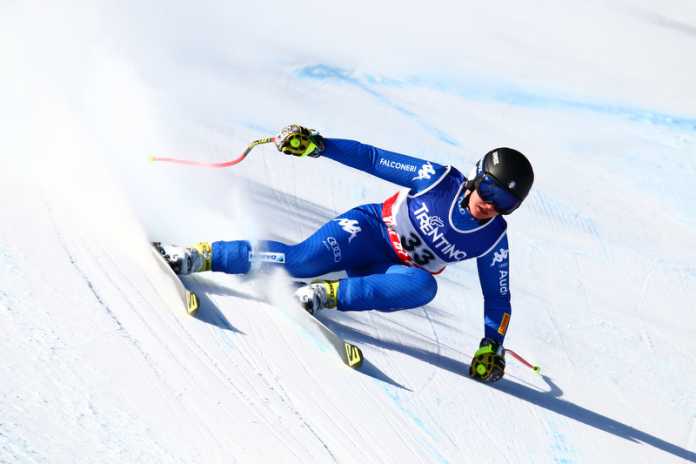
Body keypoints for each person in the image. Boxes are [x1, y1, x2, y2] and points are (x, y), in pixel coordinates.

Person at [156, 124, 534, 383]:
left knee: (423, 287)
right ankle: (199, 255)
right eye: (489, 190)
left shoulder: (493, 238)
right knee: (300, 262)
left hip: (390, 271)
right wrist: (320, 145)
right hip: (367, 232)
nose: (490, 205)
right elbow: (373, 158)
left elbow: (498, 297)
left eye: (505, 203)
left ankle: (324, 295)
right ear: (475, 177)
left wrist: (492, 345)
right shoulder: (437, 179)